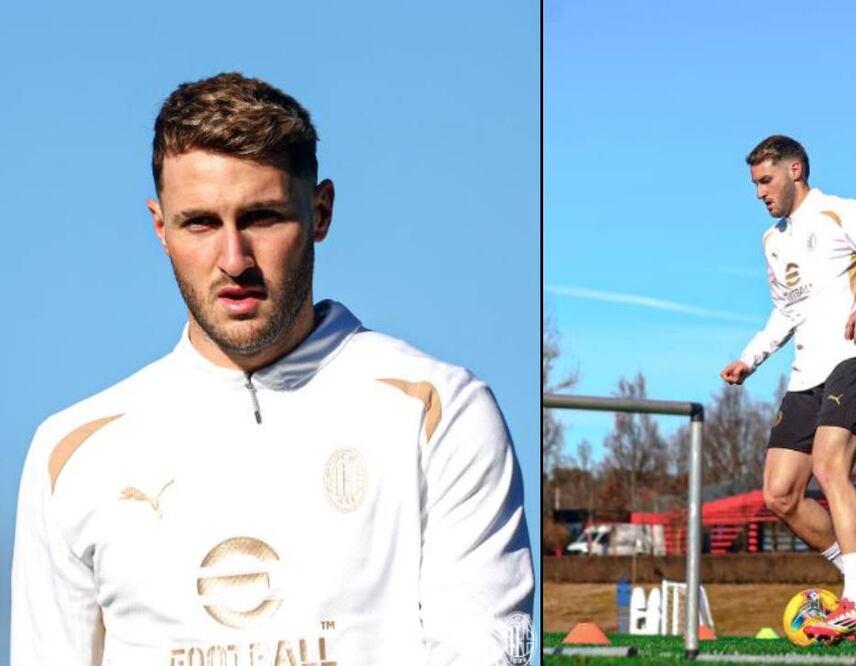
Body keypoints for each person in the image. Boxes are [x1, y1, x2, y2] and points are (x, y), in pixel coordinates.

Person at [11, 72, 534, 665]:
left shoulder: (437, 411)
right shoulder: (73, 451)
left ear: (320, 212)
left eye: (261, 218)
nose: (233, 260)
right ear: (162, 229)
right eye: (201, 223)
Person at [719, 135, 856, 642]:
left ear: (795, 169)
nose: (759, 193)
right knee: (779, 494)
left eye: (766, 180)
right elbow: (786, 312)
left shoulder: (842, 212)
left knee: (831, 465)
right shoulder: (773, 241)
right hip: (806, 374)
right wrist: (750, 358)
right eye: (754, 184)